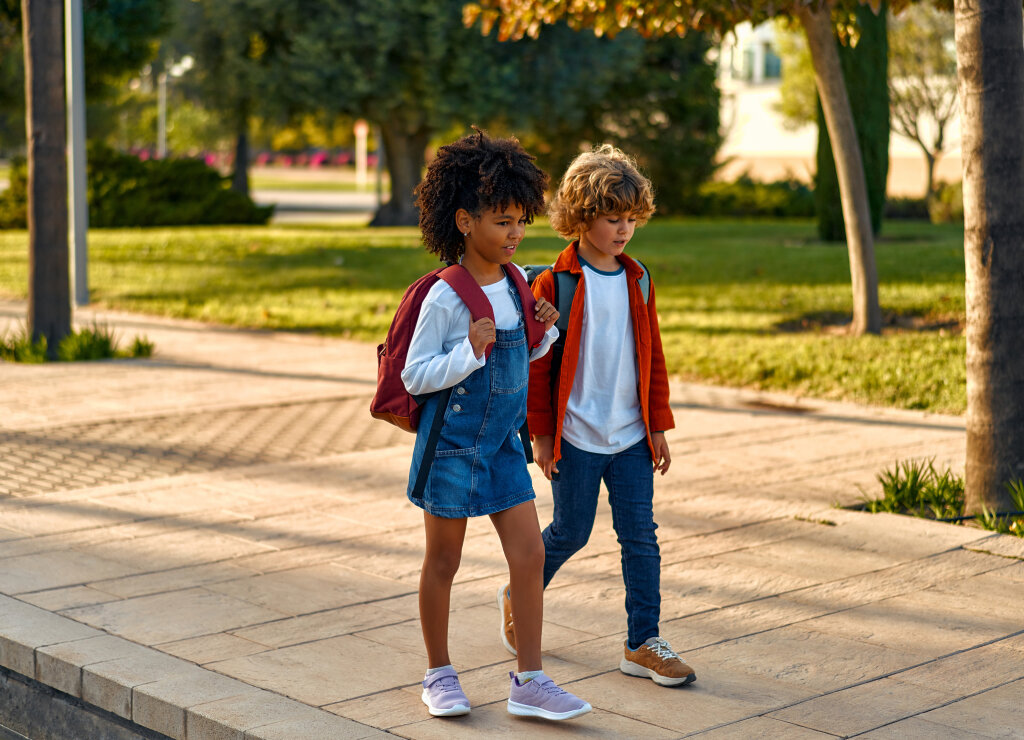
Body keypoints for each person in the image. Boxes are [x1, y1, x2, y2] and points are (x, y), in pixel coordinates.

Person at [403, 129, 592, 720]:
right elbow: (415, 375)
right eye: (502, 222)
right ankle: (438, 673)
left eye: (520, 222)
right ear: (463, 221)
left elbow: (522, 362)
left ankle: (529, 680)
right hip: (454, 450)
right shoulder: (444, 297)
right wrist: (469, 352)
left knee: (530, 555)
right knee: (443, 563)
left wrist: (546, 329)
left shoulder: (515, 283)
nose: (514, 234)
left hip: (504, 450)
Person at [499, 144, 696, 687]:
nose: (624, 229)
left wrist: (657, 426)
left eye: (632, 218)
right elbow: (536, 370)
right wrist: (541, 434)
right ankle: (520, 592)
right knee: (569, 531)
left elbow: (651, 357)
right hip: (577, 437)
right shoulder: (555, 283)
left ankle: (642, 641)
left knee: (641, 537)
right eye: (613, 218)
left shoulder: (638, 279)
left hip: (630, 435)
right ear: (582, 216)